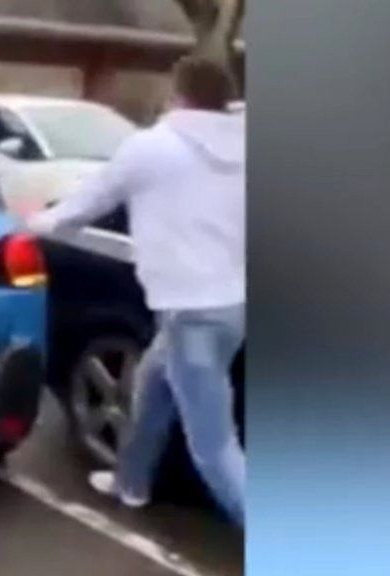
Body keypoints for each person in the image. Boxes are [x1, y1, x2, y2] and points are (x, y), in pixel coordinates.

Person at [27, 55, 246, 527]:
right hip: (231, 305)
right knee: (152, 386)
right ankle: (132, 484)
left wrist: (34, 223)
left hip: (189, 309)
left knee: (213, 445)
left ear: (178, 95)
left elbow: (84, 206)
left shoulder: (152, 146)